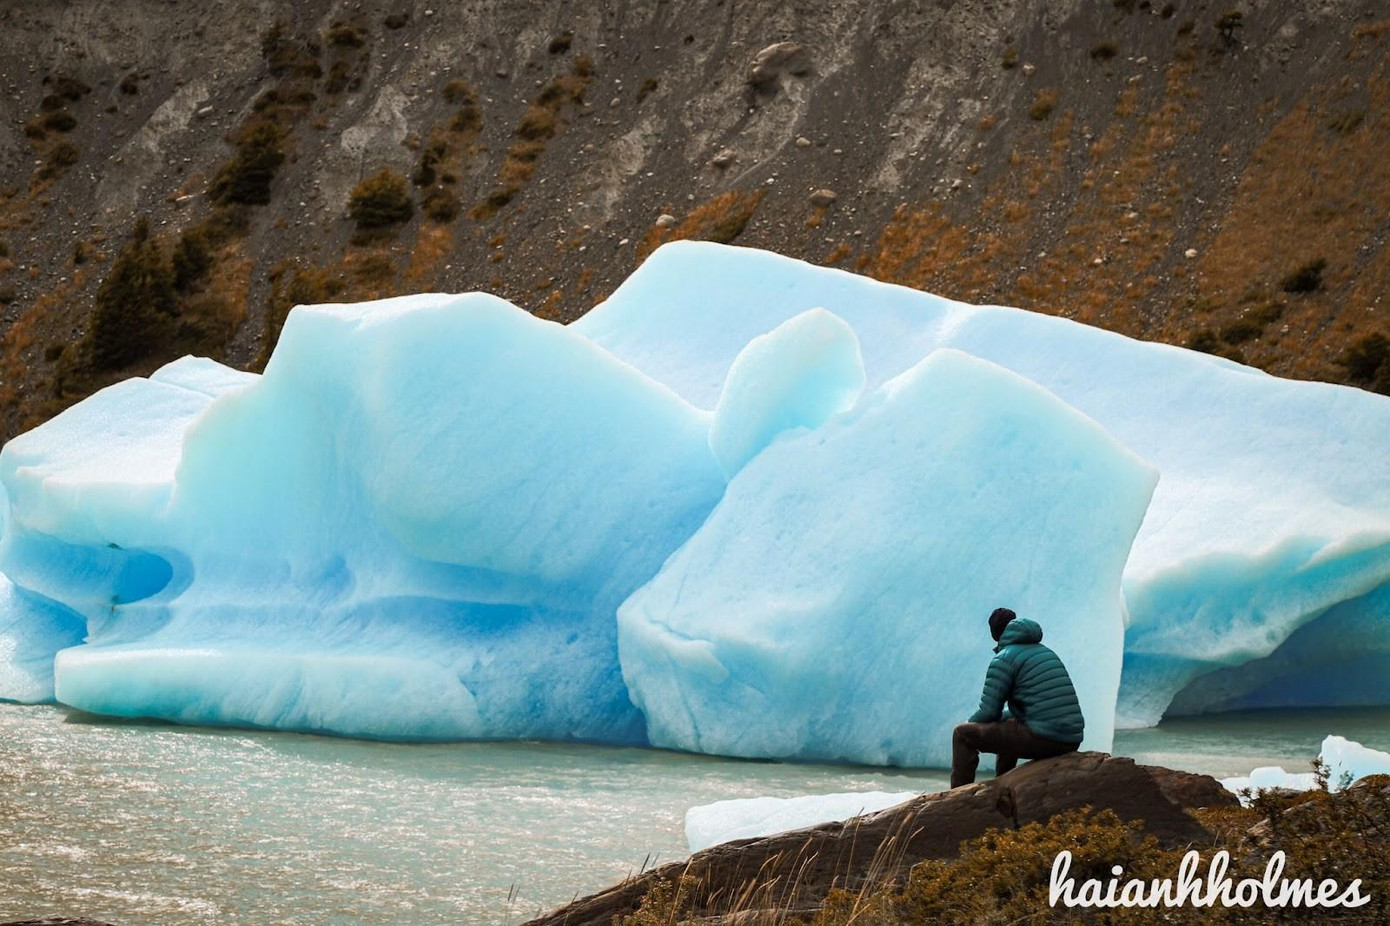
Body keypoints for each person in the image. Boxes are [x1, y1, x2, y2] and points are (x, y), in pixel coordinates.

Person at [951, 607, 1084, 788]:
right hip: (1071, 739)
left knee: (961, 734)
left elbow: (989, 712)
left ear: (995, 633)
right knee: (1010, 724)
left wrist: (970, 723)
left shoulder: (1005, 658)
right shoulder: (1043, 651)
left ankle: (958, 797)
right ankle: (1004, 785)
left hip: (1047, 738)